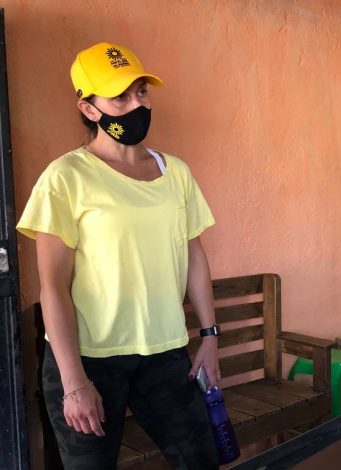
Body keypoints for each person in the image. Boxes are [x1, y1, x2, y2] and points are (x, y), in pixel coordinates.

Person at [17, 42, 221, 468]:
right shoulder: (65, 177)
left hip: (165, 353)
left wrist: (209, 336)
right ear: (89, 109)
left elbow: (195, 257)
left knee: (201, 460)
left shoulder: (176, 172)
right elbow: (52, 285)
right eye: (120, 97)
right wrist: (74, 382)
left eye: (141, 92)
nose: (137, 105)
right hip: (89, 358)